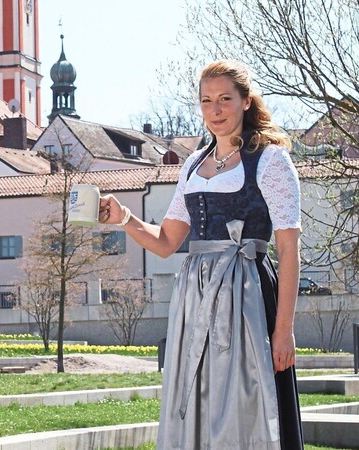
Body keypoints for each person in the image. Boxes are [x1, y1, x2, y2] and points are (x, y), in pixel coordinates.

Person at [99, 60, 303, 449]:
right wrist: (124, 217)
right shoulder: (192, 164)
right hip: (195, 302)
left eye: (226, 99)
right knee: (199, 401)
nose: (216, 109)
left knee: (248, 399)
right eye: (207, 101)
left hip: (248, 298)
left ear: (245, 102)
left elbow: (289, 251)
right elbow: (166, 242)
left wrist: (283, 330)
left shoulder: (271, 160)